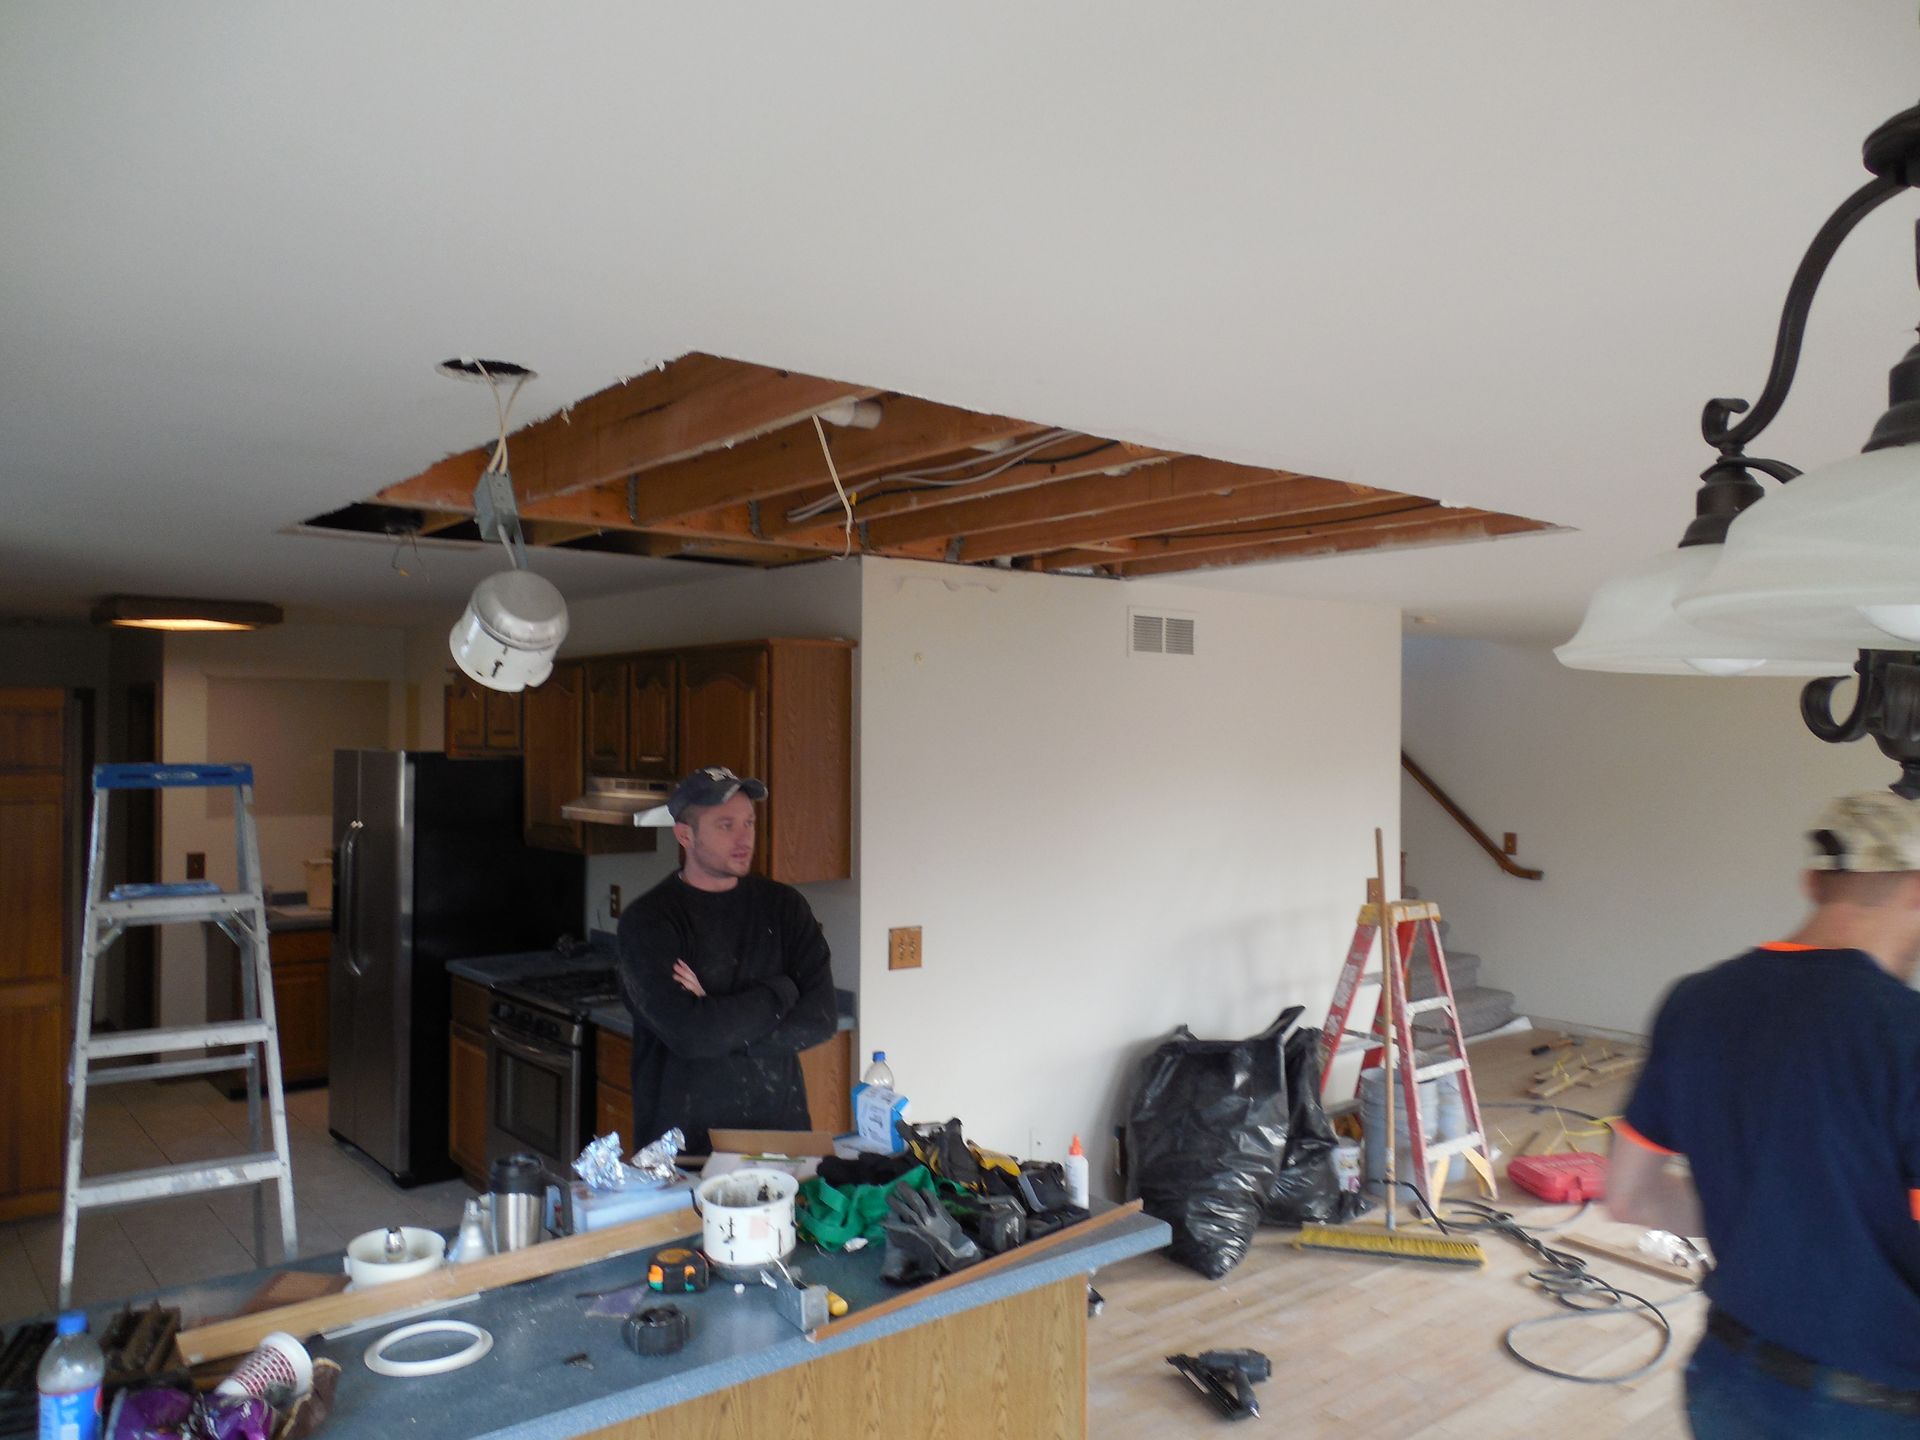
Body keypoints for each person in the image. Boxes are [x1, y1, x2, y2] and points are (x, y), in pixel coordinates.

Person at [1609, 791, 1920, 1438]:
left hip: (1727, 1381)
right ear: (1916, 890)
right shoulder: (1907, 1033)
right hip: (1871, 1403)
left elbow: (1630, 1199)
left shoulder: (1695, 1001)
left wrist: (1759, 1214)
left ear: (1812, 881)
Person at [615, 765, 838, 1154]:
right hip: (682, 1151)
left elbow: (820, 1019)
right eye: (725, 826)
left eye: (748, 823)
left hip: (780, 1139)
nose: (744, 838)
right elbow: (692, 1035)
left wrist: (717, 1017)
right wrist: (781, 992)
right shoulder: (648, 921)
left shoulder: (784, 908)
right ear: (685, 835)